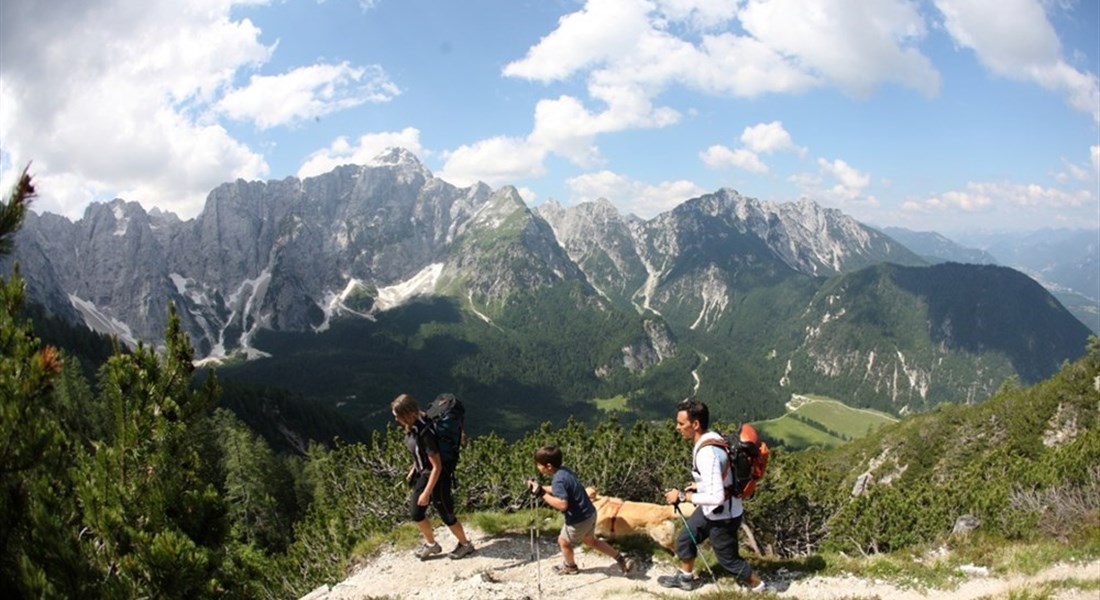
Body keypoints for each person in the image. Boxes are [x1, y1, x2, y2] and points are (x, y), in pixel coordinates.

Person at [658, 398, 767, 593]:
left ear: (696, 424)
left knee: (729, 560)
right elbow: (721, 475)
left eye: (681, 423)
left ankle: (759, 587)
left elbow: (716, 496)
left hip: (722, 516)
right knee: (686, 539)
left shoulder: (706, 453)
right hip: (714, 510)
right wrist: (698, 486)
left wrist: (682, 497)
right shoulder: (713, 437)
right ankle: (685, 578)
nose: (677, 427)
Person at [526, 445, 634, 575]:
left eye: (539, 464)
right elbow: (562, 490)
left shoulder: (557, 480)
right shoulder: (565, 471)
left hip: (578, 519)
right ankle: (621, 559)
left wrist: (541, 494)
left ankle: (570, 566)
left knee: (563, 541)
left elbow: (562, 505)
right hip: (590, 513)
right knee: (591, 541)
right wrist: (541, 488)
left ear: (548, 466)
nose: (537, 467)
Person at [391, 393, 475, 560]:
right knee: (416, 513)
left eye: (397, 415)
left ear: (407, 414)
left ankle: (466, 545)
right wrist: (414, 468)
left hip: (438, 477)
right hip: (424, 473)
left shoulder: (424, 433)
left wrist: (426, 492)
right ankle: (431, 545)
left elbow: (437, 465)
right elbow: (420, 453)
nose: (396, 419)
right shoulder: (413, 426)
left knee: (446, 514)